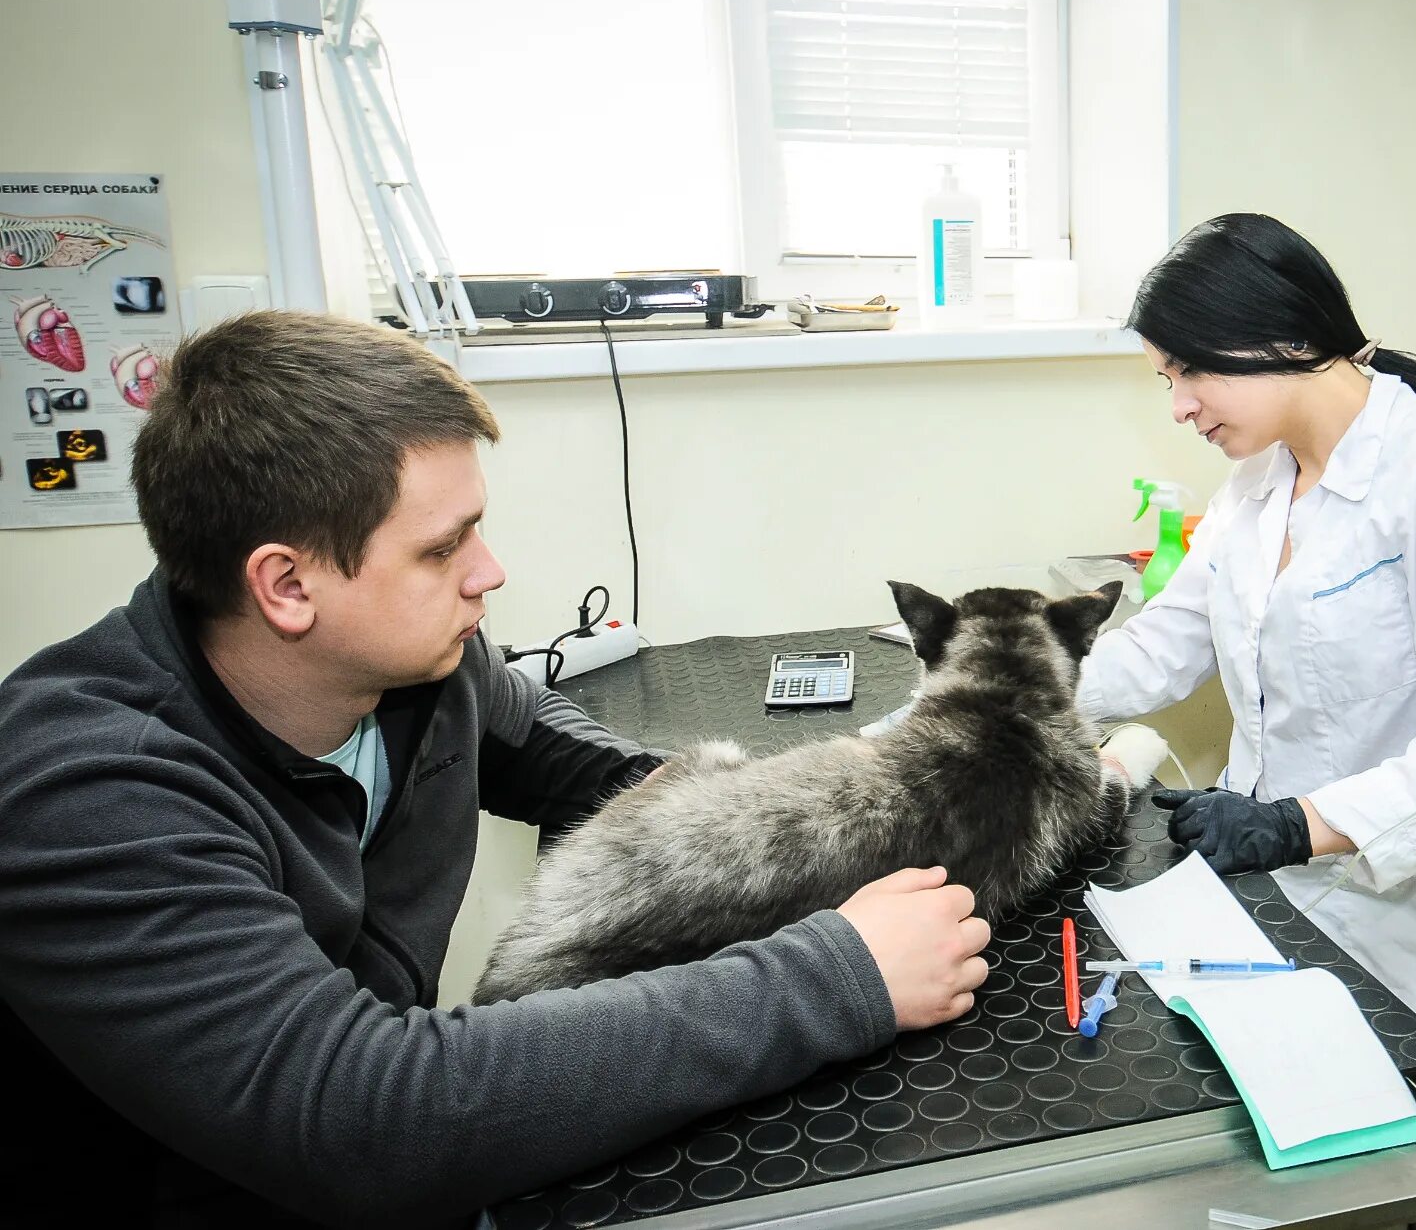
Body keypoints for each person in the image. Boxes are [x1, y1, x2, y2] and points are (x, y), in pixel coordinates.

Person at [0, 311, 990, 1229]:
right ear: (287, 585)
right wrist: (837, 975)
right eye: (441, 550)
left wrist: (771, 823)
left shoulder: (419, 670)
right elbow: (364, 1114)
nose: (489, 572)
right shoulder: (90, 799)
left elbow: (565, 759)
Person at [1079, 213, 1416, 1130]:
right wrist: (992, 697)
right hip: (1269, 902)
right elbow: (1163, 643)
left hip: (1400, 917)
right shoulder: (1260, 485)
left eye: (1188, 370)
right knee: (1295, 1136)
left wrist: (1293, 827)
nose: (1179, 406)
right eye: (1166, 378)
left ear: (1278, 335)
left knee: (1394, 1161)